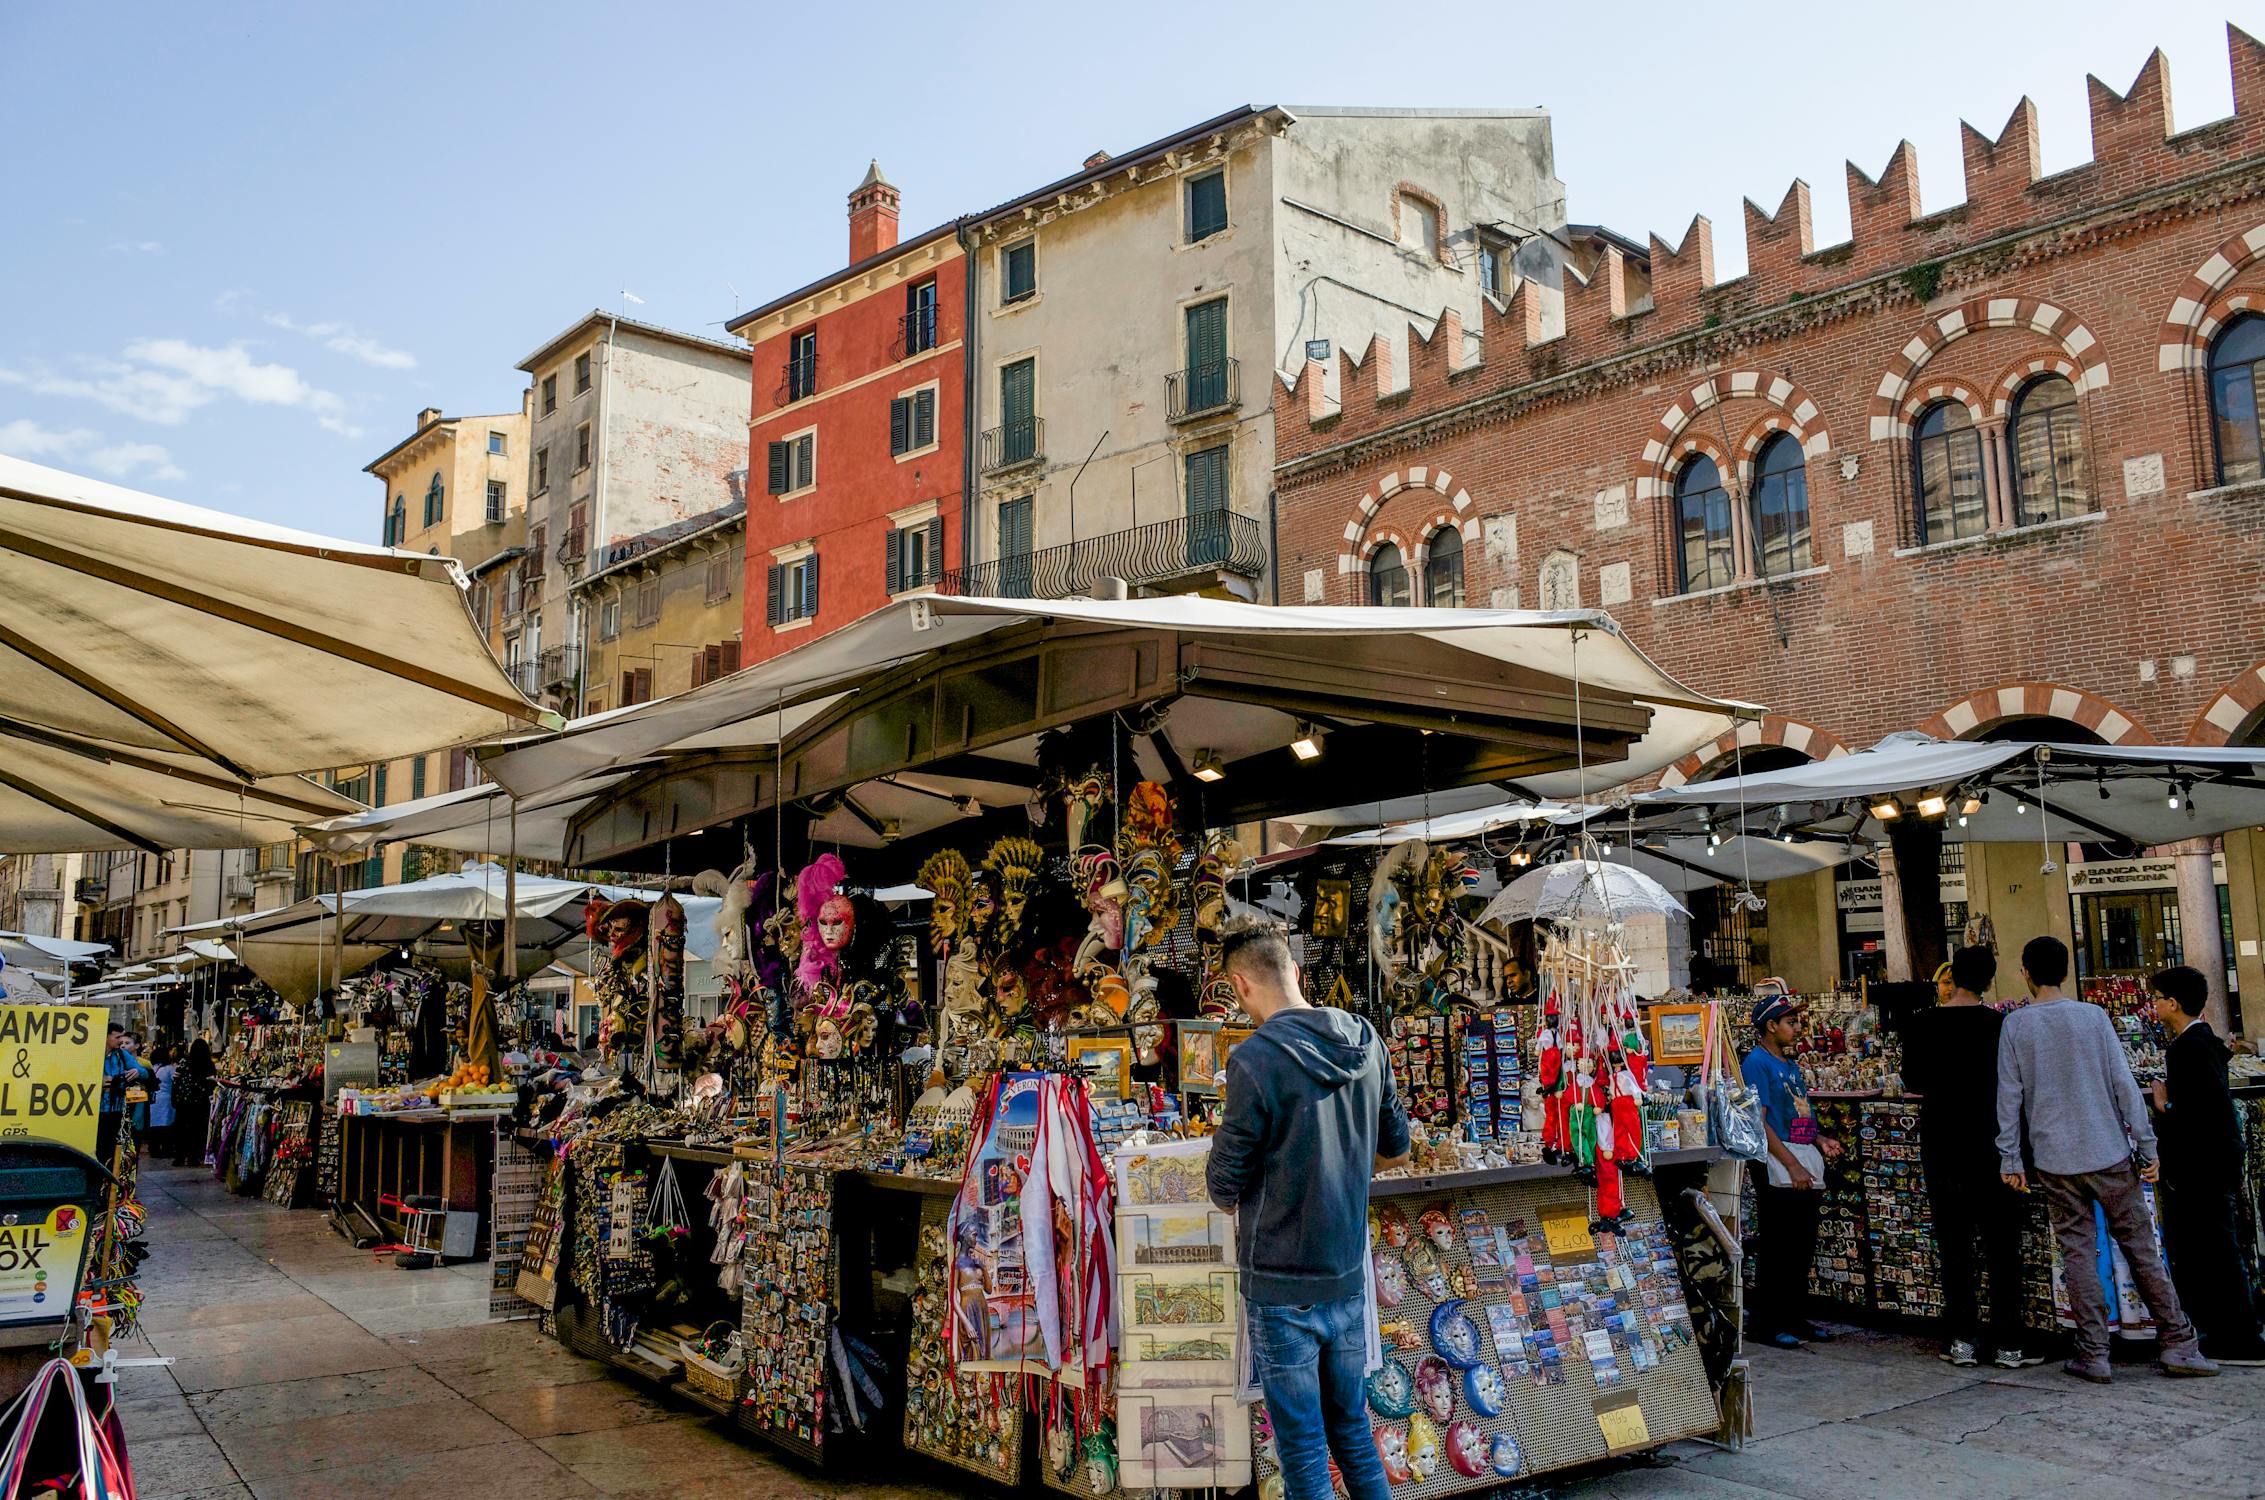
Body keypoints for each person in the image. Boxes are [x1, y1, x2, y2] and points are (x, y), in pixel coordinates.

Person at [1207, 916, 1410, 1500]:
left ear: (1239, 986)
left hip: (1281, 1286)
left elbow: (1223, 1186)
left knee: (1302, 1450)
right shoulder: (1366, 1039)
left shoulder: (1253, 1060)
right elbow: (1397, 1150)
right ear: (1295, 971)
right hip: (1345, 1277)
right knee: (1352, 1433)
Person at [1997, 936, 2216, 1382]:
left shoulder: (2016, 1026)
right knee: (2141, 1248)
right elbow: (2123, 1085)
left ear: (2026, 974)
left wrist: (2010, 1159)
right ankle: (2178, 1342)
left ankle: (2094, 1352)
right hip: (2109, 1152)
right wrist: (2148, 1146)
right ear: (2066, 971)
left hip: (2055, 1160)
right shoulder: (2093, 1017)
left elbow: (2009, 1097)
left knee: (2078, 1254)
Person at [1900, 945, 2037, 1367]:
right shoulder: (2001, 1025)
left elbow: (1912, 1079)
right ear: (1989, 982)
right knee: (2002, 1246)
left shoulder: (1922, 1024)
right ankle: (2009, 1343)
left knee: (1954, 1245)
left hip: (1943, 1144)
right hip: (1993, 1144)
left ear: (1953, 978)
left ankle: (1962, 1339)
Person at [2148, 965, 2265, 1365]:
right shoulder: (2204, 1043)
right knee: (2217, 1248)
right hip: (2216, 1162)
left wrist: (2164, 1106)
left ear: (2173, 1003)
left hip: (2203, 1167)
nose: (2154, 1005)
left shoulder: (2187, 1049)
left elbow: (2199, 1112)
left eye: (2158, 999)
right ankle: (2231, 1330)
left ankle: (2240, 1337)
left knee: (2216, 1250)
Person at [1741, 987, 1840, 1348]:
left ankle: (1794, 1317)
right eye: (1791, 1022)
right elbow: (1760, 1122)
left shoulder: (1789, 1065)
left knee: (1801, 1244)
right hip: (1778, 1163)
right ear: (1771, 1026)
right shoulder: (1757, 1063)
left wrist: (1820, 1140)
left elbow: (1798, 1117)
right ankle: (1767, 1323)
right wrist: (1792, 1164)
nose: (1797, 1028)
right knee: (1779, 1245)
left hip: (1797, 1155)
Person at [98, 1023, 153, 1164]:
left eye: (124, 1039)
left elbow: (145, 1073)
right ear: (106, 1036)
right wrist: (98, 1081)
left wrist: (137, 1071)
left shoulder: (122, 1055)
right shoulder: (94, 1053)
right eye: (117, 1037)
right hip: (96, 1112)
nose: (121, 1041)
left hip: (119, 1111)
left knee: (116, 1152)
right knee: (99, 1151)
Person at [172, 1035, 216, 1167]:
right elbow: (211, 1083)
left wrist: (174, 1098)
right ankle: (194, 1157)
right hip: (200, 1102)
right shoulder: (208, 1064)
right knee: (197, 1130)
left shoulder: (184, 1062)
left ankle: (179, 1157)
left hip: (183, 1102)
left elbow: (176, 1080)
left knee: (181, 1130)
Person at [147, 1045, 178, 1161]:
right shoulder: (170, 1068)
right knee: (166, 1126)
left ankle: (154, 1149)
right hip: (166, 1100)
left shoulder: (153, 1068)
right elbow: (175, 1080)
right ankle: (166, 1149)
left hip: (153, 1100)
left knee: (154, 1126)